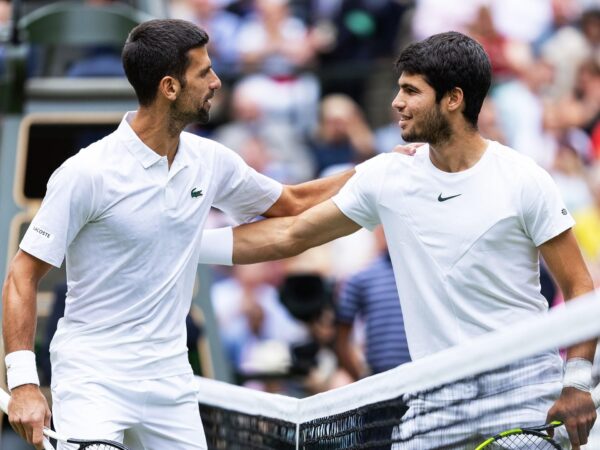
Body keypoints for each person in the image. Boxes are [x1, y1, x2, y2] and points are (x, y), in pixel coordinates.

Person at [211, 32, 597, 449]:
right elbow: (289, 234)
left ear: (453, 99)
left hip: (523, 403)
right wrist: (183, 247)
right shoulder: (389, 177)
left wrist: (576, 381)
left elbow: (579, 286)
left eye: (411, 91)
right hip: (432, 410)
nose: (397, 102)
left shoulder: (524, 179)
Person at [1, 19, 357, 450]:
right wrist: (22, 383)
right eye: (204, 72)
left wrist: (376, 171)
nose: (216, 81)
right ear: (170, 87)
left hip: (170, 379)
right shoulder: (86, 173)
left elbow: (293, 203)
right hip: (93, 376)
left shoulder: (210, 161)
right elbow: (22, 275)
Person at [335, 226, 410, 380]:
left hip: (426, 376)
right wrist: (361, 381)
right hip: (381, 379)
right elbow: (341, 338)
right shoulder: (361, 278)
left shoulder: (426, 274)